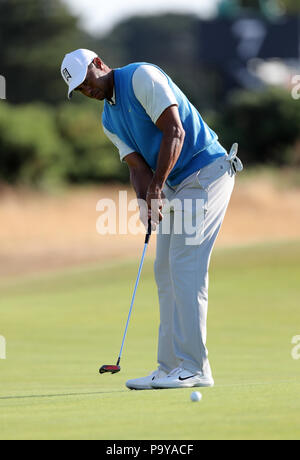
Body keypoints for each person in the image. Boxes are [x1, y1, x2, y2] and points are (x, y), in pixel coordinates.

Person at [60, 48, 243, 390]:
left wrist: (158, 188)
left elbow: (175, 132)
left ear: (99, 64)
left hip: (207, 173)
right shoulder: (108, 119)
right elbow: (138, 167)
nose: (89, 91)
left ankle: (195, 369)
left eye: (88, 82)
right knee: (165, 270)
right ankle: (169, 366)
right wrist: (145, 203)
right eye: (81, 91)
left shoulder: (142, 76)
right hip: (175, 184)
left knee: (185, 266)